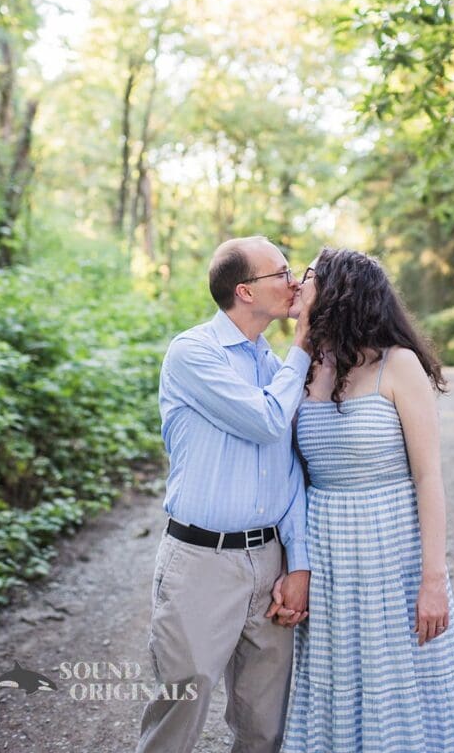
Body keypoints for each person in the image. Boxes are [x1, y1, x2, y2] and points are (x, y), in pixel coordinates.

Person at [280, 247, 454, 753]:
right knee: (335, 678)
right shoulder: (304, 368)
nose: (299, 283)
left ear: (340, 290)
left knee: (399, 681)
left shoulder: (399, 365)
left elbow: (429, 477)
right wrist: (295, 565)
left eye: (309, 276)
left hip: (392, 553)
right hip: (328, 559)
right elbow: (289, 479)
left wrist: (433, 580)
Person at [136, 235, 313, 753]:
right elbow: (265, 420)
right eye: (281, 273)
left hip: (269, 561)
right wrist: (303, 342)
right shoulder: (194, 353)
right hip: (201, 563)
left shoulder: (273, 366)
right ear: (245, 291)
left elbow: (294, 470)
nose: (295, 282)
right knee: (179, 713)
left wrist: (296, 563)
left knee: (264, 725)